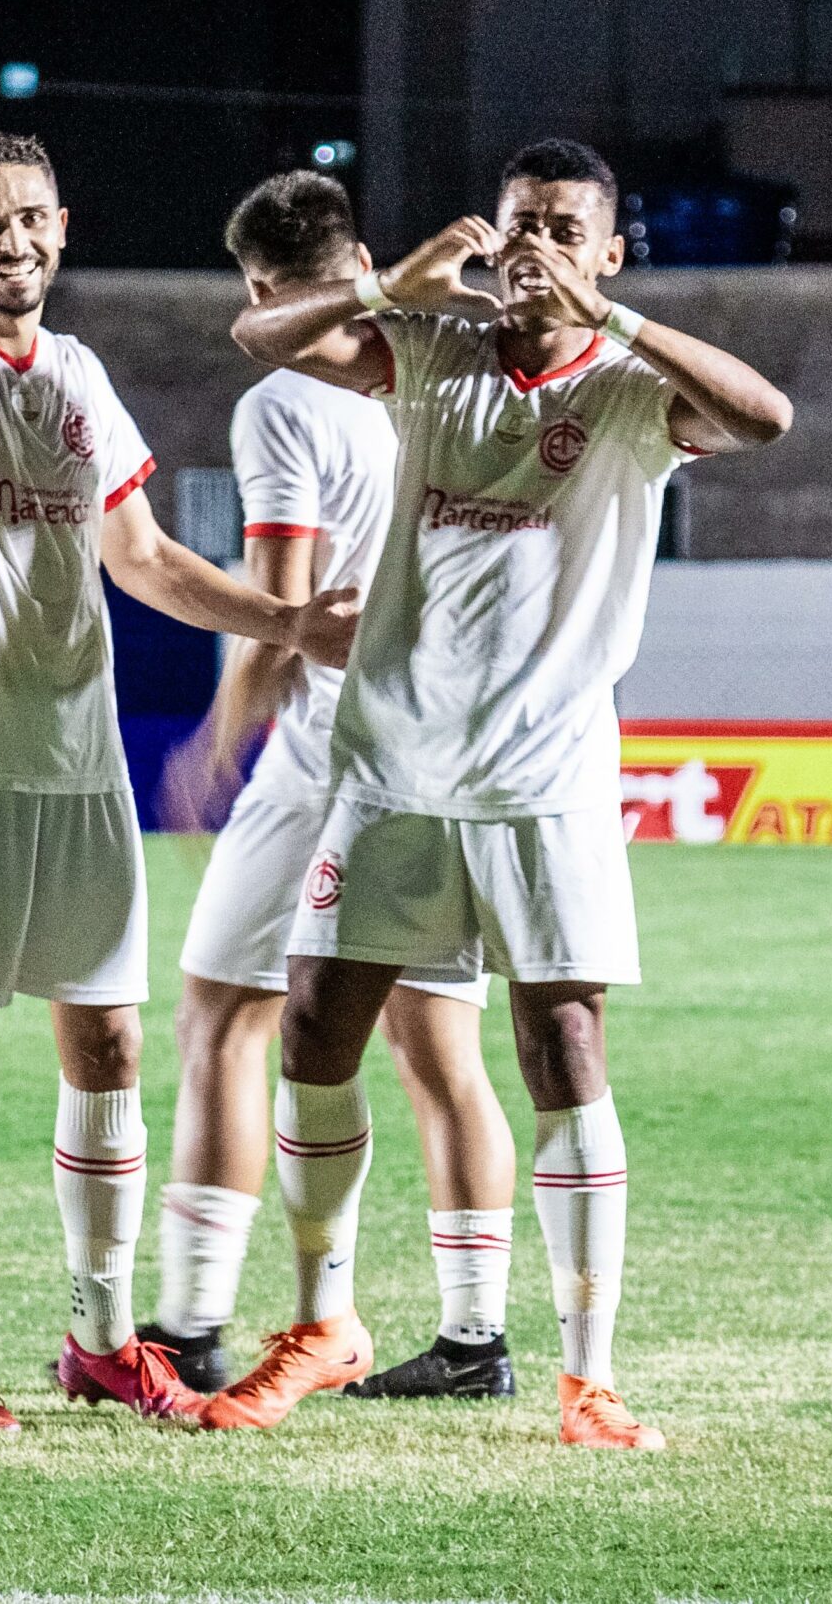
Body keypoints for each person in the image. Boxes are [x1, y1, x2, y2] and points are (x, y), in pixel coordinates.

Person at [205, 138, 793, 1451]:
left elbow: (767, 419)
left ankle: (590, 1374)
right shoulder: (434, 351)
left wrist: (616, 321)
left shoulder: (637, 387)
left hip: (545, 778)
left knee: (561, 1048)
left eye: (565, 230)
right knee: (312, 1027)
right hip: (395, 765)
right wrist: (395, 286)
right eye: (520, 224)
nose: (535, 248)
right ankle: (325, 1316)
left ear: (609, 251)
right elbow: (261, 334)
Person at [0, 132, 359, 1433]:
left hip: (79, 766)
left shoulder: (78, 374)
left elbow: (144, 556)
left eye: (28, 217)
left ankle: (102, 1335)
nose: (9, 239)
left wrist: (292, 625)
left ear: (61, 229)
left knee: (111, 1041)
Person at [150, 171, 519, 1401]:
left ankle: (197, 1319)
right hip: (455, 746)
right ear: (361, 255)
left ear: (259, 287)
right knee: (439, 1046)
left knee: (226, 1009)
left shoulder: (282, 404)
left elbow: (288, 601)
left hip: (327, 757)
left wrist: (221, 729)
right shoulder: (435, 371)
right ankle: (476, 1339)